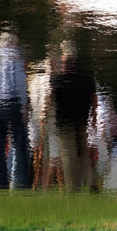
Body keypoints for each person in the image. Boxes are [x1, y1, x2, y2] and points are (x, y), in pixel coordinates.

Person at [0, 31, 30, 189]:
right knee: (19, 142)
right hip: (12, 104)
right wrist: (24, 108)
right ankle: (21, 181)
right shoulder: (15, 61)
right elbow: (20, 86)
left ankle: (0, 183)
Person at [50, 40, 95, 192]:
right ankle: (91, 181)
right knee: (83, 152)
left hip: (64, 122)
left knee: (69, 156)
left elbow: (51, 100)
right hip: (81, 120)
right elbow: (94, 100)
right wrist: (93, 118)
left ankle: (72, 188)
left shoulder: (58, 81)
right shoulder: (85, 79)